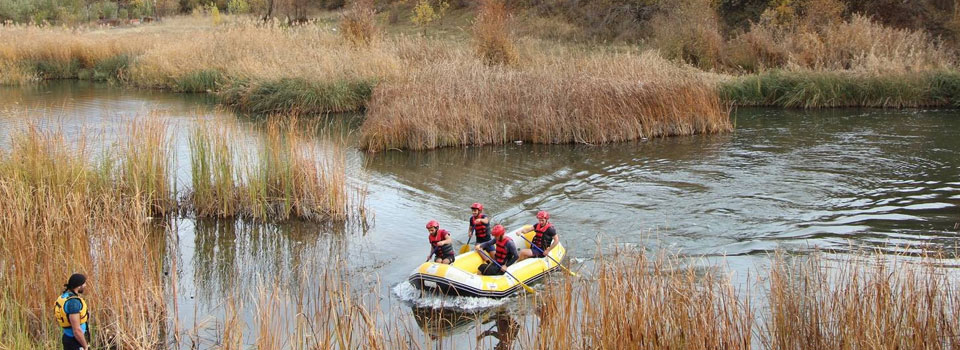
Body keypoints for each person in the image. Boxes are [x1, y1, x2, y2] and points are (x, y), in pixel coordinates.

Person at [54, 273, 90, 350]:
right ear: (79, 285)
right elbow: (76, 330)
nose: (85, 285)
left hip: (68, 337)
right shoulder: (73, 303)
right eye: (84, 283)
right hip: (75, 341)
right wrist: (85, 346)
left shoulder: (64, 296)